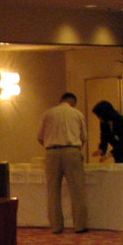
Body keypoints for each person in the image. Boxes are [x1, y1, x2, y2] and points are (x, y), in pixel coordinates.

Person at [36, 92, 89, 234]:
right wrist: (75, 150)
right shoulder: (77, 114)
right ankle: (80, 226)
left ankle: (56, 226)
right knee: (77, 190)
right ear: (73, 102)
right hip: (72, 150)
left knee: (53, 191)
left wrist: (51, 147)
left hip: (51, 152)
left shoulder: (48, 114)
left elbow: (40, 137)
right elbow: (83, 137)